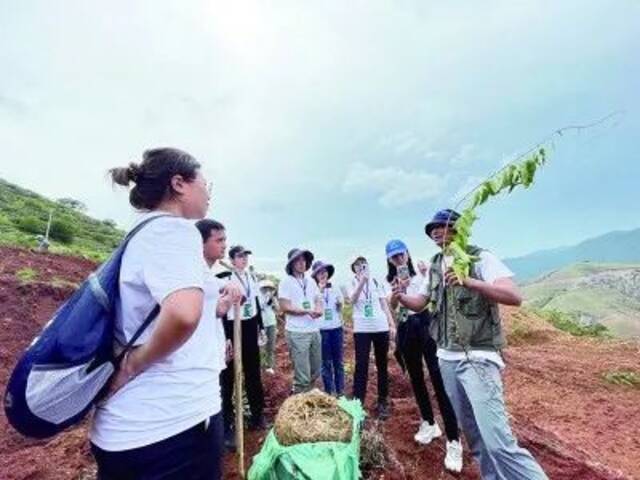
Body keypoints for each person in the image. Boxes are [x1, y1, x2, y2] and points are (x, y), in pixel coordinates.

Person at [91, 147, 226, 479]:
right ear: (179, 183)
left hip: (138, 428)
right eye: (205, 184)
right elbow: (182, 314)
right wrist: (135, 363)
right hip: (171, 426)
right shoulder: (173, 230)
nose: (208, 193)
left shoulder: (143, 232)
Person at [395, 209, 548, 480]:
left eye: (441, 226)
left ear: (459, 227)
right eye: (432, 230)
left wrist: (469, 281)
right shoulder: (435, 263)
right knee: (475, 439)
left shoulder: (480, 258)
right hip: (446, 359)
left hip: (478, 359)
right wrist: (402, 298)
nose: (435, 232)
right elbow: (421, 302)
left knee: (499, 443)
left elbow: (514, 295)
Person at [385, 239, 462, 473]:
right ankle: (429, 422)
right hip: (407, 327)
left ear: (407, 253)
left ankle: (453, 440)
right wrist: (397, 292)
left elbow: (433, 298)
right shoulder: (392, 280)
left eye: (401, 254)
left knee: (439, 380)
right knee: (416, 379)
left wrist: (425, 274)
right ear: (389, 259)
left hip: (426, 324)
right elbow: (394, 307)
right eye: (394, 256)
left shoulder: (423, 271)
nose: (399, 259)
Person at [221, 245, 267, 434]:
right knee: (228, 375)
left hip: (249, 325)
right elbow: (221, 310)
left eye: (246, 256)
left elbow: (255, 301)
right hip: (232, 327)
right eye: (240, 256)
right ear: (232, 260)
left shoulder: (250, 277)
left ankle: (257, 415)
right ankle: (227, 419)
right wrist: (226, 337)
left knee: (253, 372)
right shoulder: (225, 278)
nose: (244, 259)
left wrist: (261, 327)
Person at [348, 256, 395, 419]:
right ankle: (357, 404)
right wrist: (362, 281)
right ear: (353, 268)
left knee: (382, 365)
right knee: (361, 366)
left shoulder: (377, 281)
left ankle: (382, 402)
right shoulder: (351, 282)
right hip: (362, 329)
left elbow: (384, 304)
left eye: (363, 264)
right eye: (357, 265)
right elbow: (352, 300)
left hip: (380, 327)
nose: (361, 267)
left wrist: (391, 324)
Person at [278, 249, 323, 394]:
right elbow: (284, 306)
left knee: (315, 370)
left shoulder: (311, 281)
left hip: (314, 330)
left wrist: (318, 308)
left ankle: (306, 396)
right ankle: (299, 403)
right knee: (302, 375)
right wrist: (306, 311)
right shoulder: (286, 282)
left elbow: (317, 298)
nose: (301, 263)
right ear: (291, 263)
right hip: (297, 332)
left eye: (304, 260)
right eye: (297, 260)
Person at [311, 260, 345, 397]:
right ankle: (329, 392)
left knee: (338, 361)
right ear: (315, 275)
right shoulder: (312, 289)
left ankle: (340, 391)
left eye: (324, 271)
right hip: (322, 329)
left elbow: (340, 306)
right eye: (319, 272)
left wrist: (339, 304)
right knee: (325, 363)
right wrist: (320, 289)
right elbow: (311, 307)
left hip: (336, 328)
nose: (322, 274)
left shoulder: (335, 287)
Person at [259, 279, 279, 375]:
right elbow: (259, 308)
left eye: (269, 288)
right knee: (260, 346)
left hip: (271, 323)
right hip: (261, 324)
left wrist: (273, 300)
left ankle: (269, 366)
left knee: (271, 346)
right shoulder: (258, 297)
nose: (267, 290)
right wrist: (266, 300)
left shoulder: (272, 298)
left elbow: (279, 310)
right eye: (265, 288)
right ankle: (260, 365)